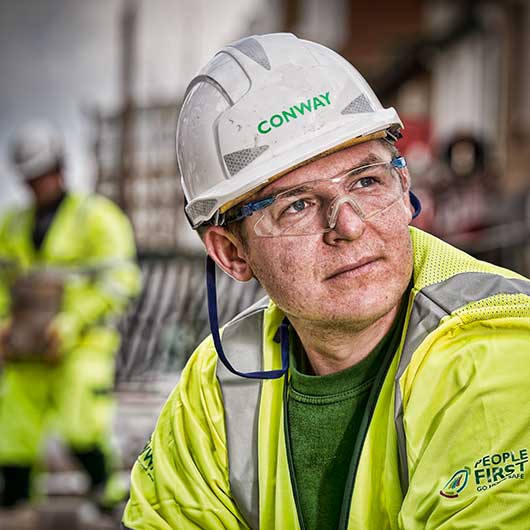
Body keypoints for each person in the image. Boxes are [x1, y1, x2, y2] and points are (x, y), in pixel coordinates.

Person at [123, 33, 530, 529]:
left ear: (404, 190)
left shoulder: (499, 351)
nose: (350, 226)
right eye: (296, 205)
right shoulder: (215, 388)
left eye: (366, 181)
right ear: (232, 253)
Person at [0, 122, 142, 515]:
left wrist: (71, 322)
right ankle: (13, 498)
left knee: (82, 420)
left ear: (59, 170)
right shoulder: (13, 223)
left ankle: (106, 493)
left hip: (83, 342)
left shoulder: (96, 218)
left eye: (41, 175)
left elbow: (120, 281)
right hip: (27, 343)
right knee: (13, 418)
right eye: (30, 178)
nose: (36, 185)